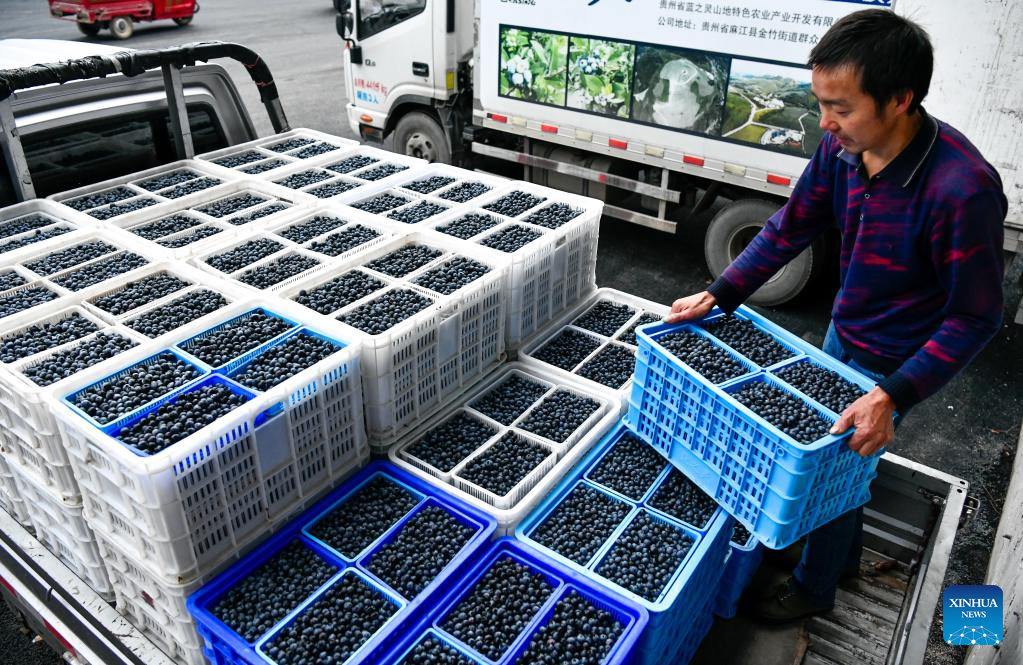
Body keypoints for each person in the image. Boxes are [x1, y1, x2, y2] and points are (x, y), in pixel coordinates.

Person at [666, 9, 1006, 623]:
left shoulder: (961, 190)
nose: (824, 123)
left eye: (841, 108)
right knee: (837, 469)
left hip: (895, 361)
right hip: (842, 330)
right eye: (821, 104)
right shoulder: (843, 150)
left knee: (834, 472)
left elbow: (975, 317)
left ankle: (813, 590)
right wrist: (721, 292)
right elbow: (790, 226)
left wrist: (891, 395)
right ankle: (837, 560)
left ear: (900, 99)